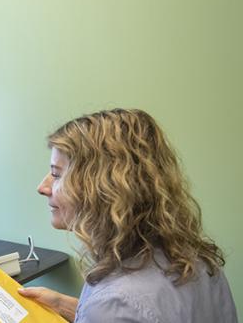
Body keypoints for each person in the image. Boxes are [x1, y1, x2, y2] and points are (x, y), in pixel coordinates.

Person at [18, 109, 238, 322]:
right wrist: (62, 304)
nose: (42, 187)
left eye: (56, 174)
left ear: (101, 187)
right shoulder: (197, 259)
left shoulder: (115, 303)